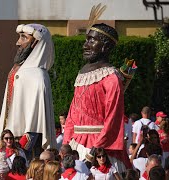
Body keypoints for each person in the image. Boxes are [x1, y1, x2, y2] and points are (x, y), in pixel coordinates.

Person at [62, 23, 131, 172]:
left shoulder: (112, 78)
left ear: (105, 46)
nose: (85, 45)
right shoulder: (81, 76)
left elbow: (113, 119)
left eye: (91, 40)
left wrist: (95, 151)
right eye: (86, 40)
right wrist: (66, 142)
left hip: (100, 150)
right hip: (76, 147)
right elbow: (72, 114)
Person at [0, 23, 57, 154]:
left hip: (24, 147)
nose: (18, 43)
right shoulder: (19, 69)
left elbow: (36, 120)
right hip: (11, 141)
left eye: (24, 38)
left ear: (36, 43)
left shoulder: (38, 76)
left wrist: (21, 148)